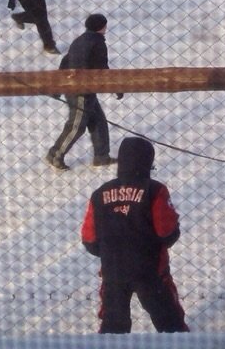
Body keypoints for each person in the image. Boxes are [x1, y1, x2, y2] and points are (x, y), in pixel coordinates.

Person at [81, 136, 188, 334]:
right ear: (148, 162)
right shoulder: (154, 190)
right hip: (150, 272)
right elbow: (167, 232)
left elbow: (89, 239)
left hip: (113, 271)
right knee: (170, 321)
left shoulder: (100, 193)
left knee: (113, 326)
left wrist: (109, 251)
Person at [47, 13, 118, 172]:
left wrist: (59, 87)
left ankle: (101, 156)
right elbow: (103, 70)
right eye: (105, 25)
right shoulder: (98, 43)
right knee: (77, 126)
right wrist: (116, 88)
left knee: (98, 121)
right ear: (101, 27)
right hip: (80, 90)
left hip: (80, 88)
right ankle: (55, 154)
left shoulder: (79, 40)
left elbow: (65, 61)